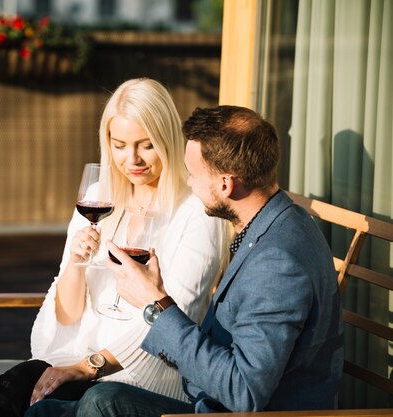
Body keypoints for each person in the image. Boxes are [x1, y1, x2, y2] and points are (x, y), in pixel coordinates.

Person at [25, 105, 344, 416]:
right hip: (206, 401)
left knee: (98, 402)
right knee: (62, 407)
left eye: (192, 175)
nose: (188, 184)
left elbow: (243, 393)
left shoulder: (277, 263)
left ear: (225, 184)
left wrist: (156, 303)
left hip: (235, 410)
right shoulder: (278, 221)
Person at [0, 79, 230, 417]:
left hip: (145, 371)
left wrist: (88, 366)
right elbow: (67, 314)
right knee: (15, 386)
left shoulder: (196, 212)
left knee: (38, 400)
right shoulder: (100, 195)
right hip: (85, 356)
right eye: (120, 145)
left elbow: (175, 317)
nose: (133, 159)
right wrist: (75, 262)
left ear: (168, 140)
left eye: (146, 145)